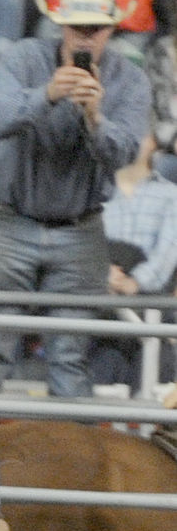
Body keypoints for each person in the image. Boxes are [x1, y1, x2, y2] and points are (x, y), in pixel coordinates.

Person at [0, 0, 153, 411]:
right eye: (78, 27)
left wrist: (94, 118)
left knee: (71, 356)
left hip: (77, 229)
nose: (85, 38)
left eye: (95, 28)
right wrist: (46, 94)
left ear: (111, 28)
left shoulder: (130, 80)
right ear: (61, 25)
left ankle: (73, 476)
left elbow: (122, 154)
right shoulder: (26, 58)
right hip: (9, 219)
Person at [89, 132, 177, 386]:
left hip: (153, 308)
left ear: (151, 142)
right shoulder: (94, 191)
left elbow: (169, 250)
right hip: (100, 307)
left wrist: (134, 283)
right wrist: (101, 274)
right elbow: (83, 239)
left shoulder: (171, 194)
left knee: (152, 383)